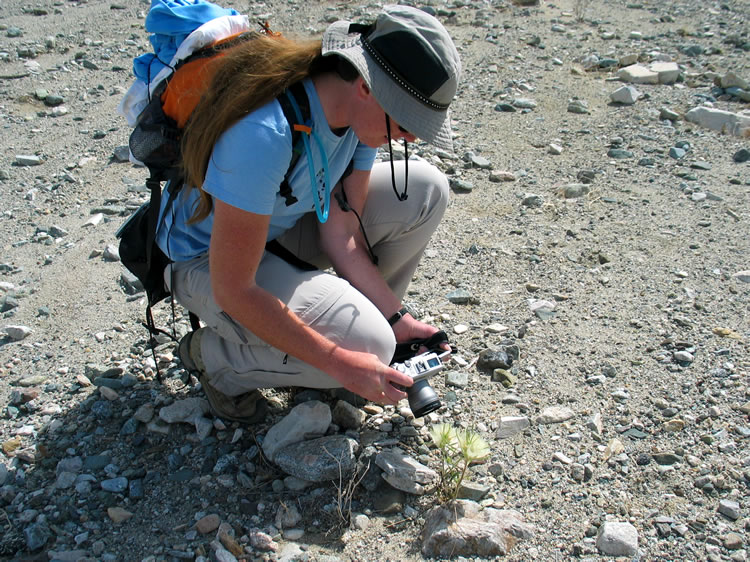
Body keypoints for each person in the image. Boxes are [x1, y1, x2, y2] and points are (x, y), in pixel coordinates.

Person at [159, 4, 462, 422]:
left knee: (427, 189)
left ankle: (360, 349)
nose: (411, 135)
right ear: (366, 86)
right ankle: (216, 361)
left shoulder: (362, 120)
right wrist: (340, 360)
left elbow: (342, 236)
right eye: (406, 120)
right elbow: (235, 289)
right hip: (206, 261)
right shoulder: (263, 134)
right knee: (364, 346)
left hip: (272, 230)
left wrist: (398, 319)